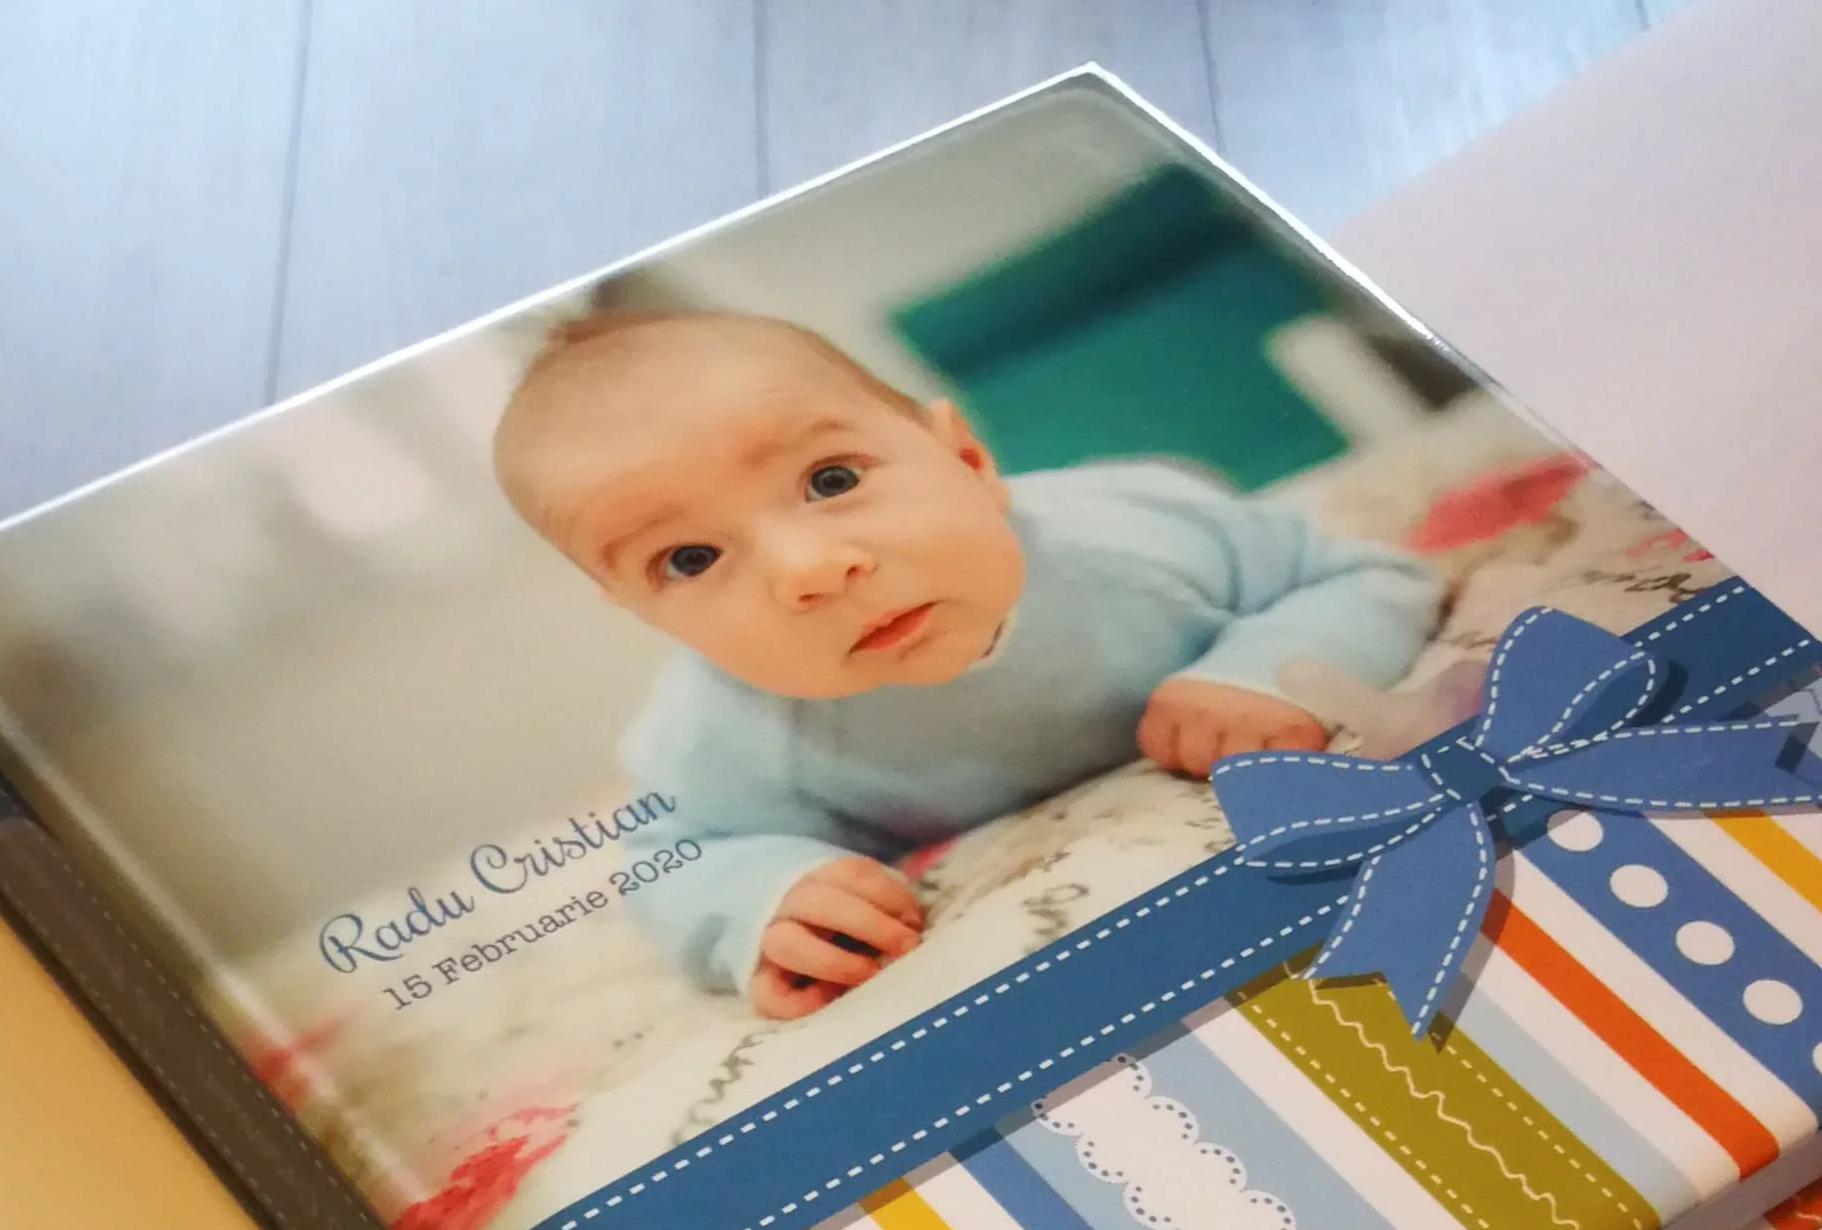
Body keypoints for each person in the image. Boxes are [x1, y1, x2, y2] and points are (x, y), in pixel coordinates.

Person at [493, 308, 1442, 1019]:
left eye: (832, 480)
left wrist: (1264, 667)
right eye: (690, 560)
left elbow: (1359, 572)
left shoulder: (1136, 530)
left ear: (969, 457)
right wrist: (763, 899)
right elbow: (674, 856)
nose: (810, 572)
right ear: (645, 614)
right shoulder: (725, 729)